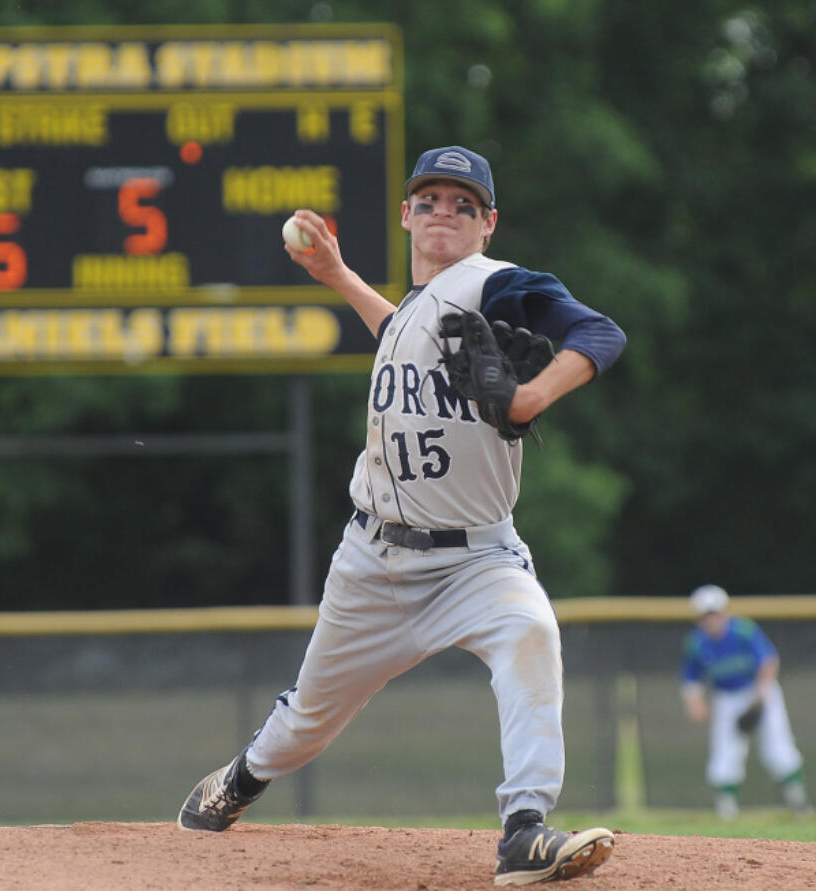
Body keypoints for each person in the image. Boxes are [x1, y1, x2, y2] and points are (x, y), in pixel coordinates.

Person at [176, 145, 627, 886]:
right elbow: (400, 333)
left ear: (488, 224)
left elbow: (601, 334)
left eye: (464, 204)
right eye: (430, 200)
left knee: (531, 633)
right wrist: (338, 277)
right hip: (372, 563)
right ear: (405, 215)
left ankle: (523, 830)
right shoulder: (419, 309)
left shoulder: (498, 285)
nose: (444, 212)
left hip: (476, 560)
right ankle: (239, 780)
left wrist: (529, 397)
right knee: (304, 724)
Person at [681, 584, 812, 820]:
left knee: (778, 746)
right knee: (726, 752)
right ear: (699, 618)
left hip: (759, 690)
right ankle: (726, 810)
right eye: (706, 615)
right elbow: (691, 678)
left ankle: (798, 802)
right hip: (727, 698)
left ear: (724, 612)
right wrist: (695, 702)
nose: (711, 619)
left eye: (715, 613)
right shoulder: (697, 643)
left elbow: (769, 662)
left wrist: (760, 698)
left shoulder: (743, 631)